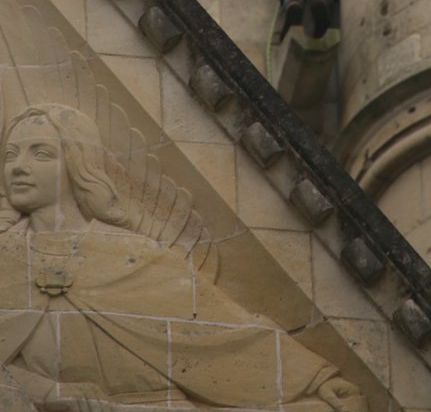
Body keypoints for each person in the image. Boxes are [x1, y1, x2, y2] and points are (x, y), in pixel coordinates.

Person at [0, 103, 365, 412]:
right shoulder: (5, 261)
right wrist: (50, 392)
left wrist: (314, 379)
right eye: (10, 155)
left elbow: (223, 333)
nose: (17, 167)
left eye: (41, 153)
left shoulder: (133, 256)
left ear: (78, 164)